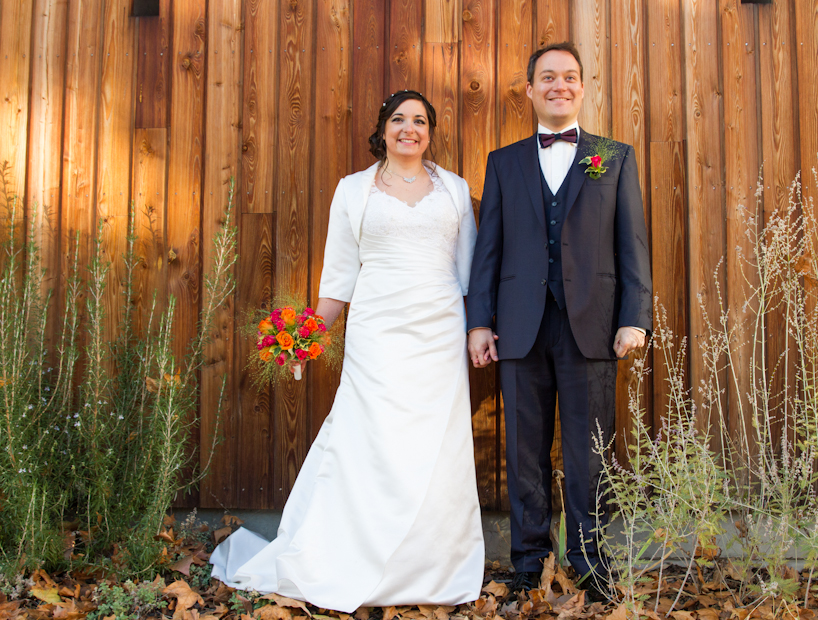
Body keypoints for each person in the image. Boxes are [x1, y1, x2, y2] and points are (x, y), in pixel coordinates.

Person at [211, 91, 484, 612]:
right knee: (369, 439)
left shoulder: (453, 188)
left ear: (430, 132)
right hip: (377, 332)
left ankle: (431, 567)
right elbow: (338, 277)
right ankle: (349, 556)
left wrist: (479, 329)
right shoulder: (354, 189)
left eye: (420, 121)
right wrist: (307, 337)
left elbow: (470, 272)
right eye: (399, 119)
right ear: (382, 130)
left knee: (434, 444)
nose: (409, 128)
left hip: (440, 332)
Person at [466, 42, 652, 594]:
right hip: (519, 327)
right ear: (530, 90)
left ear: (582, 88)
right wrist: (479, 322)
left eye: (569, 76)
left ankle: (590, 560)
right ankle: (529, 563)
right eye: (548, 77)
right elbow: (488, 249)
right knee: (525, 451)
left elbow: (632, 244)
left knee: (590, 451)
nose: (559, 85)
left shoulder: (614, 157)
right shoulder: (503, 162)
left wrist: (634, 317)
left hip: (592, 326)